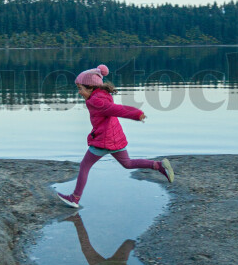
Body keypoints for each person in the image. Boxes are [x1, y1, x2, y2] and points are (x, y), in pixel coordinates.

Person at [57, 63, 174, 208]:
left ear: (90, 87)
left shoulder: (96, 100)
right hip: (115, 138)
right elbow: (112, 109)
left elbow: (116, 109)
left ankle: (74, 198)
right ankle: (159, 166)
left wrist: (136, 114)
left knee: (84, 166)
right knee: (128, 163)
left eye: (80, 88)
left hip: (103, 140)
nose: (79, 92)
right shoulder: (102, 95)